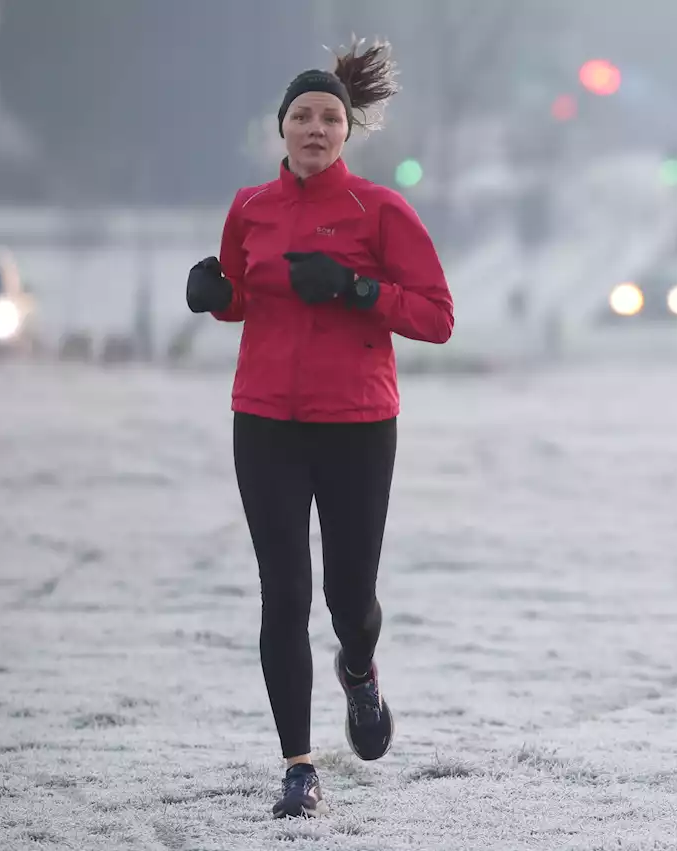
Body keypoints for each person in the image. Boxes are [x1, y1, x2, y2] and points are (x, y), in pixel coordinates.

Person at [184, 39, 453, 819]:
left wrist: (355, 287)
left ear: (347, 131)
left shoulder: (381, 209)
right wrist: (214, 292)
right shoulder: (250, 207)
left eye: (329, 116)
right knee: (283, 592)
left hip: (357, 423)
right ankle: (299, 766)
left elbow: (436, 316)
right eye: (301, 114)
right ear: (282, 128)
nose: (314, 126)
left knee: (347, 597)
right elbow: (240, 293)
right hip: (264, 418)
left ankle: (360, 671)